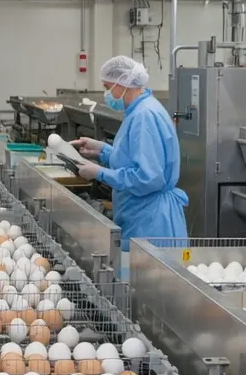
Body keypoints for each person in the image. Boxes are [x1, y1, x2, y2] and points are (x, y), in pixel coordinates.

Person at [70, 56, 188, 258]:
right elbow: (132, 159)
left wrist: (100, 173)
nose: (106, 94)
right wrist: (102, 150)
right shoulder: (141, 109)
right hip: (142, 215)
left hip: (151, 222)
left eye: (107, 87)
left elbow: (147, 178)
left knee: (151, 276)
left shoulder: (144, 116)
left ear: (123, 83)